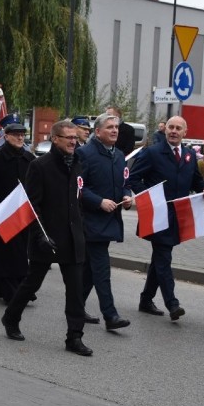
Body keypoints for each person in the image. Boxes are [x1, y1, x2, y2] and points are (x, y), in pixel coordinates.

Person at [0, 120, 93, 356]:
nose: (74, 141)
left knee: (75, 289)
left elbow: (78, 198)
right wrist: (40, 235)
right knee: (33, 282)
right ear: (55, 139)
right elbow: (32, 205)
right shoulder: (40, 166)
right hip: (47, 236)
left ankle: (74, 336)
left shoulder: (78, 163)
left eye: (75, 137)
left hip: (73, 236)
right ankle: (11, 318)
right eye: (68, 137)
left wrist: (82, 227)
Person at [128, 116, 204, 320]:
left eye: (178, 128)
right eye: (171, 127)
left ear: (185, 132)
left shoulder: (189, 154)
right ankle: (172, 303)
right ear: (165, 130)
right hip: (158, 215)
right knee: (164, 257)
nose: (174, 131)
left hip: (178, 215)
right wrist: (149, 197)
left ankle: (146, 299)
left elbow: (197, 180)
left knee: (160, 257)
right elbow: (132, 178)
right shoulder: (152, 153)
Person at [76, 112, 133, 330]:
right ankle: (110, 315)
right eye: (109, 127)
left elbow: (124, 182)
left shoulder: (119, 155)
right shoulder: (85, 153)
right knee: (101, 269)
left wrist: (126, 196)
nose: (114, 130)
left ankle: (76, 307)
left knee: (90, 270)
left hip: (110, 221)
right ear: (97, 132)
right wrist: (99, 201)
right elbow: (78, 187)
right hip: (90, 221)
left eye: (116, 127)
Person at [0, 122, 34, 303]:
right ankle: (13, 292)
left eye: (22, 134)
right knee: (8, 252)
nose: (19, 138)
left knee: (17, 251)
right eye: (15, 134)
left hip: (23, 213)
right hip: (2, 214)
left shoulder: (29, 158)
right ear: (6, 135)